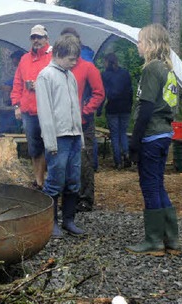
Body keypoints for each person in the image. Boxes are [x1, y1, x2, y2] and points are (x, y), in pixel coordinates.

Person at [126, 23, 180, 256]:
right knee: (158, 184)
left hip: (151, 135)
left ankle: (154, 241)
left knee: (149, 186)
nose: (137, 45)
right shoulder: (167, 69)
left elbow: (146, 108)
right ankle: (171, 240)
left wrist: (134, 141)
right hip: (164, 134)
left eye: (140, 41)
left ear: (150, 44)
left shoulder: (151, 69)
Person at [35, 34, 84, 238]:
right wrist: (50, 142)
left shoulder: (69, 75)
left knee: (73, 179)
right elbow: (44, 112)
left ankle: (69, 220)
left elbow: (76, 108)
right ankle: (51, 222)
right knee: (55, 180)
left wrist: (80, 137)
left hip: (73, 135)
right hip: (58, 137)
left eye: (75, 59)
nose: (74, 63)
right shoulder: (45, 76)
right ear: (59, 54)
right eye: (71, 59)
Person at [58, 28, 105, 213]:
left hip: (84, 123)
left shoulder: (87, 67)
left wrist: (85, 111)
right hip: (62, 123)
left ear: (78, 43)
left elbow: (99, 93)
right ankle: (69, 198)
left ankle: (85, 199)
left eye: (73, 41)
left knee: (84, 161)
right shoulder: (57, 67)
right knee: (65, 161)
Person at [10, 24, 53, 190]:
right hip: (28, 111)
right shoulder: (25, 58)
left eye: (39, 37)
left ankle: (52, 182)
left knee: (51, 147)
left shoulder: (53, 57)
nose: (36, 40)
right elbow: (17, 83)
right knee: (34, 148)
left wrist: (41, 86)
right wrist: (16, 105)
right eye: (33, 37)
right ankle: (39, 181)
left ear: (46, 38)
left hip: (48, 110)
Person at [100, 53, 133, 169]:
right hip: (125, 108)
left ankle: (118, 162)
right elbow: (130, 91)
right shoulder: (125, 73)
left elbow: (102, 94)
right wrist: (130, 105)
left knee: (114, 135)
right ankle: (126, 154)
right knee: (123, 133)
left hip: (112, 108)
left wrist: (99, 110)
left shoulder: (104, 75)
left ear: (107, 62)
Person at [0, 50, 25, 134]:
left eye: (14, 60)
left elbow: (11, 88)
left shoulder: (25, 71)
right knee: (4, 115)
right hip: (13, 103)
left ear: (19, 60)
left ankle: (9, 134)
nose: (13, 63)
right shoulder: (18, 72)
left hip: (22, 105)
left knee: (7, 118)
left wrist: (0, 87)